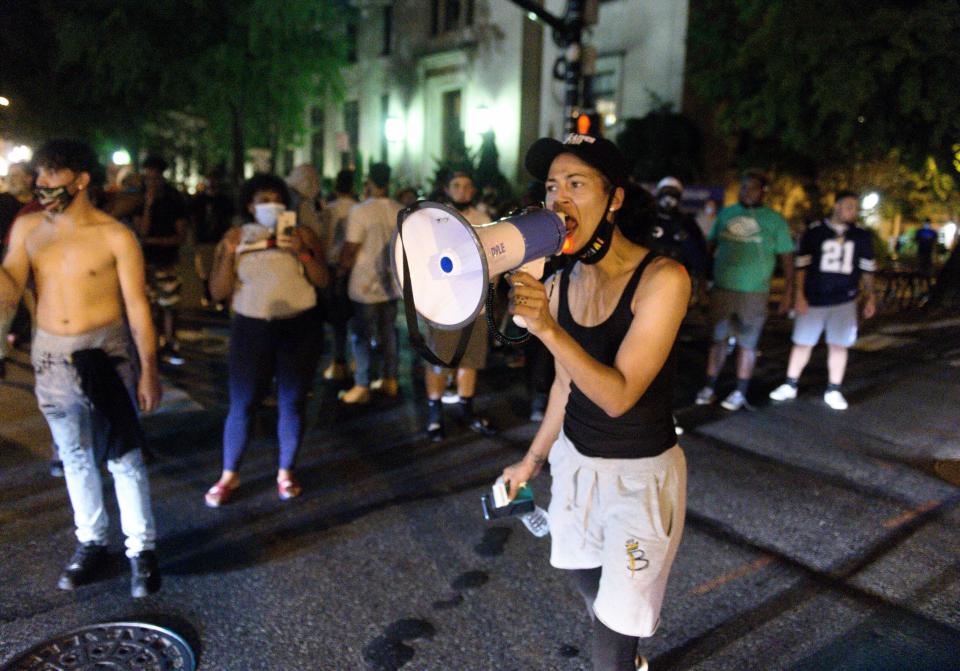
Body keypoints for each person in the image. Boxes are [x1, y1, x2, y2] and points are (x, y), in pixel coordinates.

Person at [500, 134, 690, 671]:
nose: (558, 197)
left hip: (640, 479)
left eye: (576, 184)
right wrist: (531, 461)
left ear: (615, 199)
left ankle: (622, 646)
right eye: (551, 186)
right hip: (575, 463)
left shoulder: (664, 279)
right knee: (576, 564)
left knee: (611, 640)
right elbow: (566, 386)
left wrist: (545, 329)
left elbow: (618, 395)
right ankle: (619, 619)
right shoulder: (560, 285)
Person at [0, 139, 162, 597]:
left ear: (81, 179)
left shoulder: (115, 235)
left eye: (52, 175)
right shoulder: (29, 227)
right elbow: (10, 288)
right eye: (40, 175)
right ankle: (91, 542)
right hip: (51, 354)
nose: (42, 184)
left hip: (106, 352)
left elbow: (137, 308)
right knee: (73, 455)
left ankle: (141, 550)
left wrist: (149, 369)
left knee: (123, 455)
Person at [204, 173, 327, 506]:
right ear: (249, 205)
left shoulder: (302, 233)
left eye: (276, 199)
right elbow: (218, 291)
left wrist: (303, 253)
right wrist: (229, 254)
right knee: (242, 402)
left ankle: (286, 471)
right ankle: (229, 473)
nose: (270, 205)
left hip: (299, 326)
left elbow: (323, 279)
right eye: (262, 200)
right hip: (252, 327)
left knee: (293, 400)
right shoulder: (236, 236)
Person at [695, 170, 795, 411]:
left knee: (747, 344)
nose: (746, 192)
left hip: (754, 294)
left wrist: (788, 294)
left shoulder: (774, 220)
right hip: (722, 290)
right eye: (743, 187)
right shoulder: (727, 214)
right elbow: (709, 249)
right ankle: (709, 387)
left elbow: (788, 260)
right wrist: (701, 284)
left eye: (752, 188)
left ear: (763, 192)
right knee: (717, 340)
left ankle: (740, 391)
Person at [769, 191, 876, 410]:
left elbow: (867, 270)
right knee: (802, 343)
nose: (852, 211)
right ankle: (790, 383)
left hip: (845, 298)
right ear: (836, 206)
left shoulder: (861, 236)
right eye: (848, 206)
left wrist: (870, 296)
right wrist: (799, 295)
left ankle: (834, 389)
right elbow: (802, 267)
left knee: (839, 345)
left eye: (855, 208)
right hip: (814, 298)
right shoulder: (816, 231)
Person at [423, 167, 498, 441]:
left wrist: (492, 287)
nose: (462, 191)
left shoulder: (483, 219)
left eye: (467, 186)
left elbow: (496, 258)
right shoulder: (434, 218)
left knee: (471, 358)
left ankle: (467, 409)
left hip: (475, 302)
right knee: (439, 359)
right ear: (447, 189)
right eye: (456, 185)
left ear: (473, 190)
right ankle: (434, 413)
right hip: (443, 304)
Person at [337, 163, 402, 404]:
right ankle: (390, 379)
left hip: (364, 283)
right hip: (392, 283)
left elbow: (351, 247)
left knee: (361, 335)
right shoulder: (400, 210)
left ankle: (362, 384)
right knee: (389, 333)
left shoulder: (360, 211)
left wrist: (341, 270)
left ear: (369, 181)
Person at [135, 155, 188, 365]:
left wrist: (153, 241)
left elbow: (180, 235)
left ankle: (171, 343)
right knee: (149, 307)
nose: (151, 183)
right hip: (145, 262)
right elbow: (141, 232)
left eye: (155, 178)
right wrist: (147, 205)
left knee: (170, 305)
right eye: (147, 178)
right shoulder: (140, 198)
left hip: (167, 260)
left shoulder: (174, 198)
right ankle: (153, 345)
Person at [318, 169, 358, 381]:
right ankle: (353, 360)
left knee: (337, 317)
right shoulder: (357, 209)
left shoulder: (329, 209)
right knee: (352, 315)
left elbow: (324, 238)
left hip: (333, 265)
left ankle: (338, 361)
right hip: (352, 266)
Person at [190, 170, 235, 310]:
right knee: (204, 270)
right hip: (203, 239)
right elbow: (193, 219)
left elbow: (230, 218)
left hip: (219, 239)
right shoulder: (199, 200)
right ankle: (208, 296)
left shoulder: (224, 200)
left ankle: (220, 299)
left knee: (220, 266)